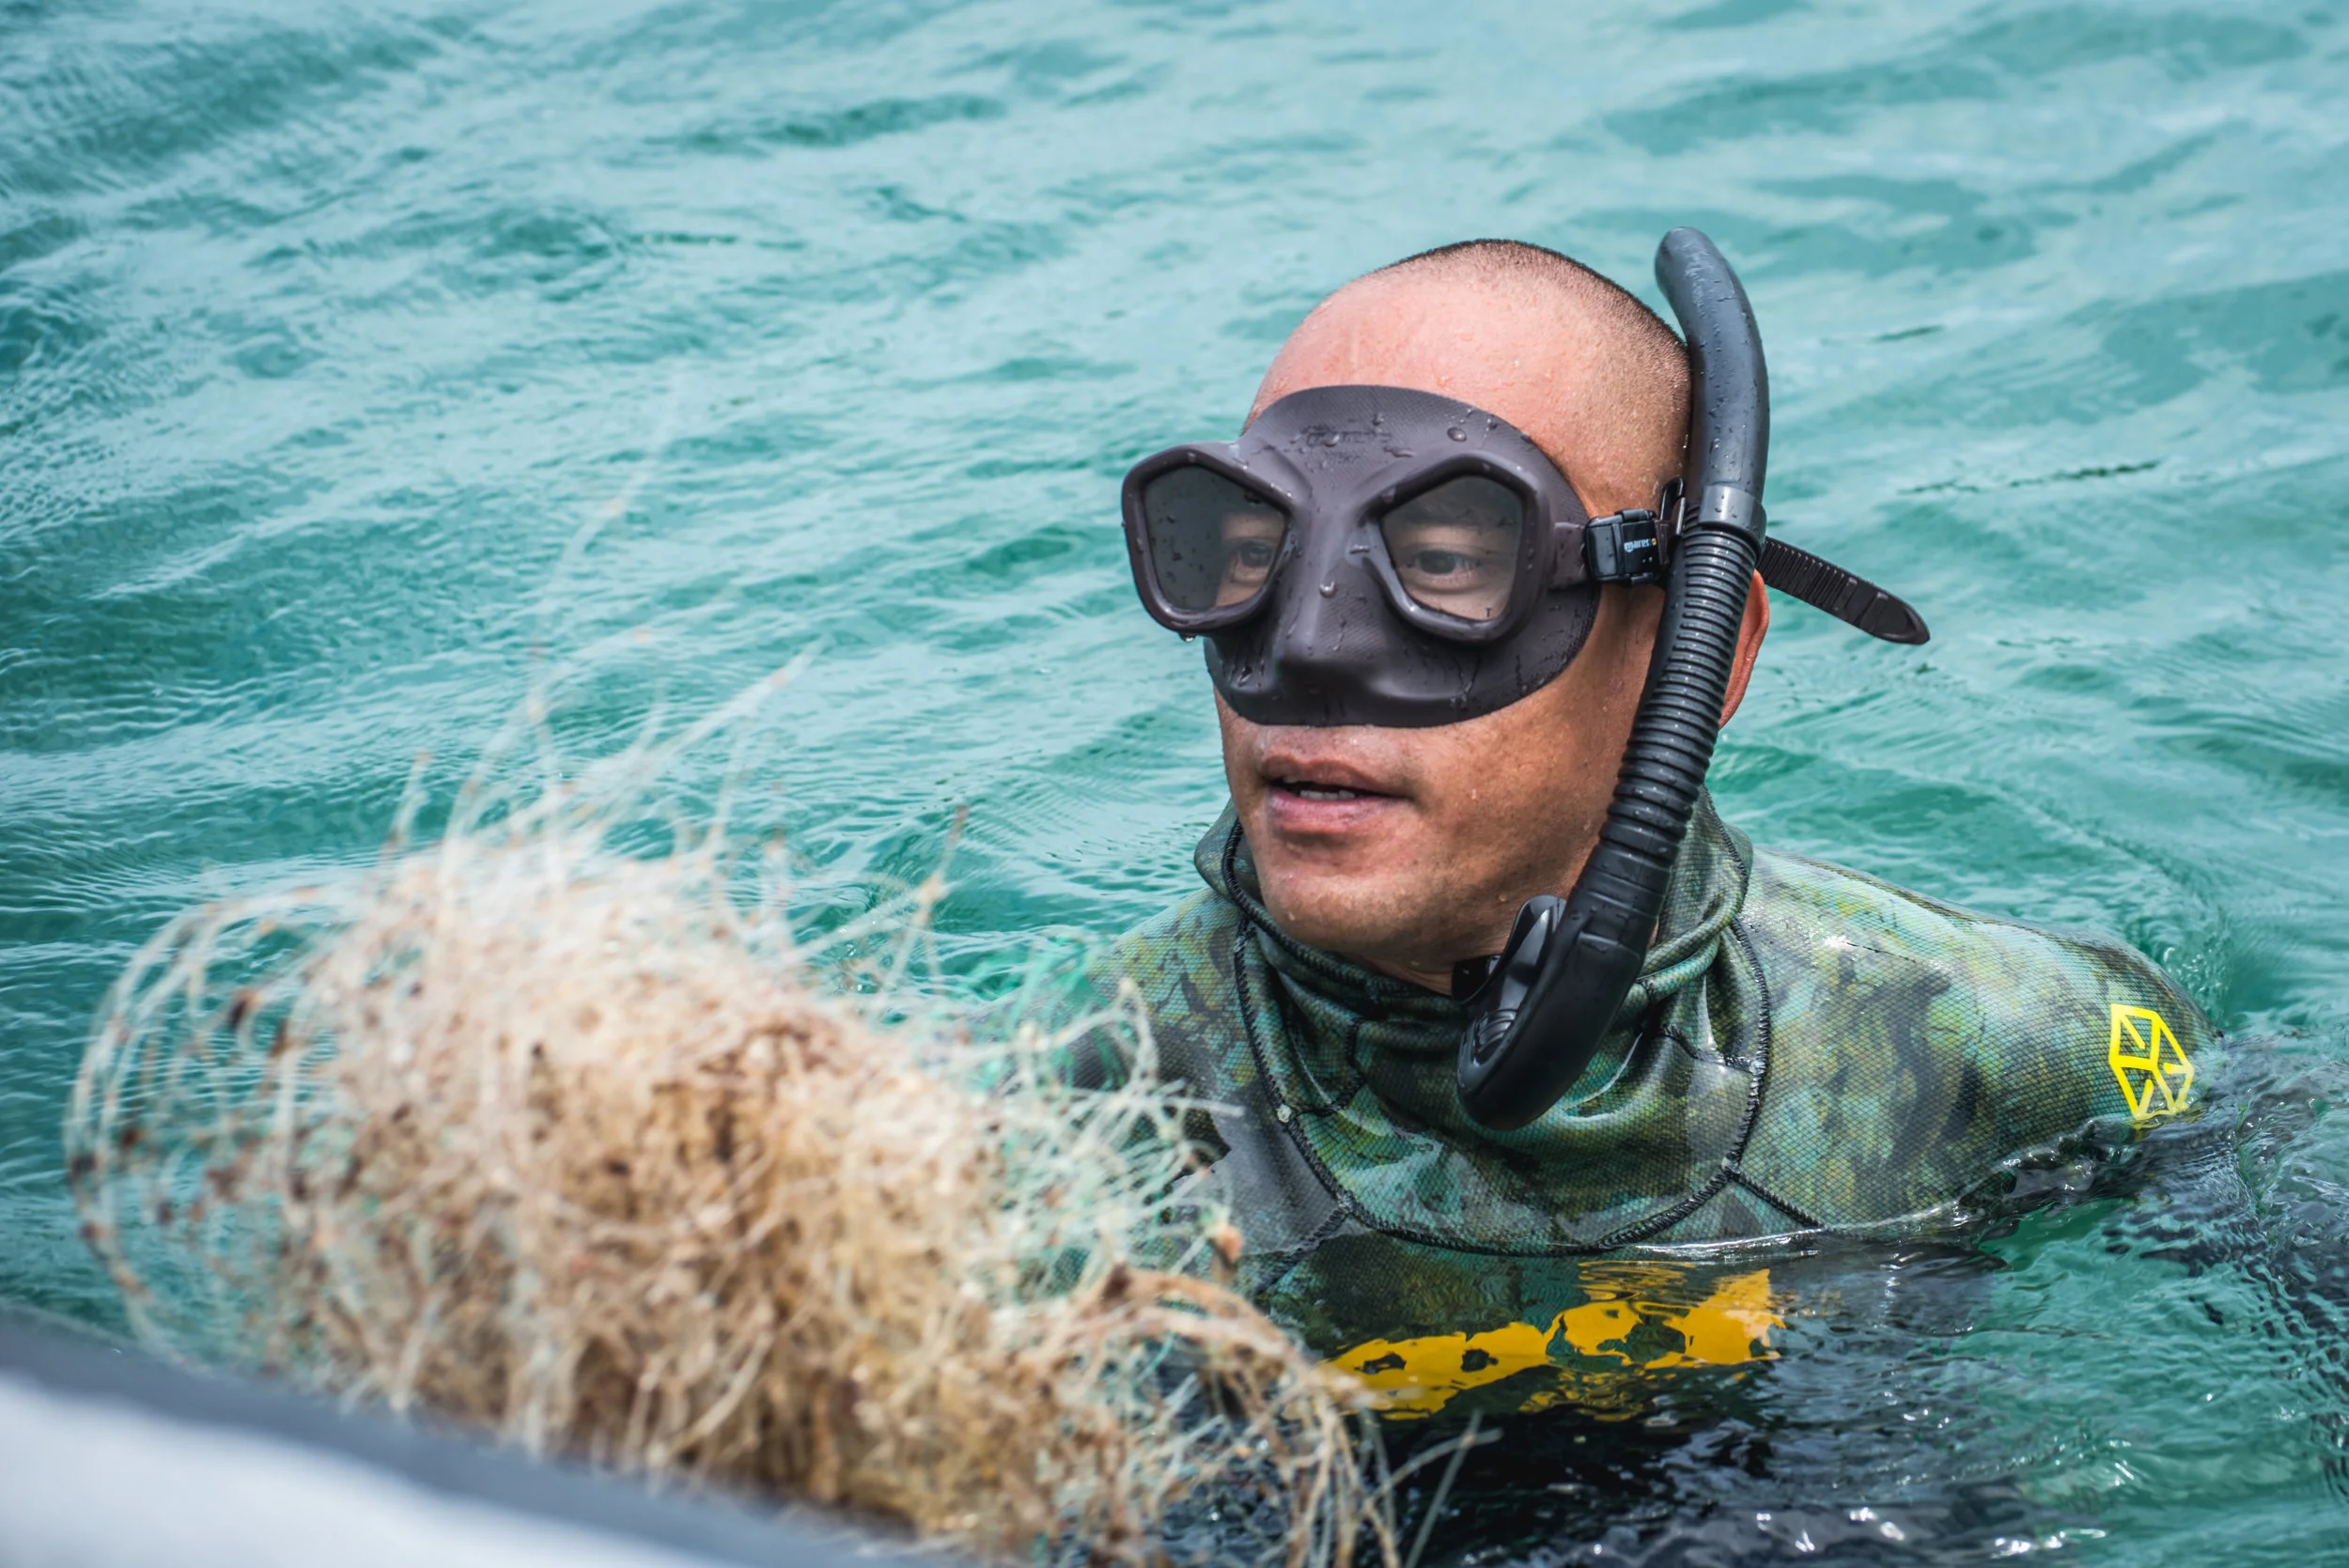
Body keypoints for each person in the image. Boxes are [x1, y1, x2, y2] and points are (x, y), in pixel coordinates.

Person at [1057, 232, 2217, 1419]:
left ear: (1697, 650)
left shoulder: (1995, 1047)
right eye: (1254, 552)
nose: (1305, 646)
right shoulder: (1062, 1124)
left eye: (1447, 563)